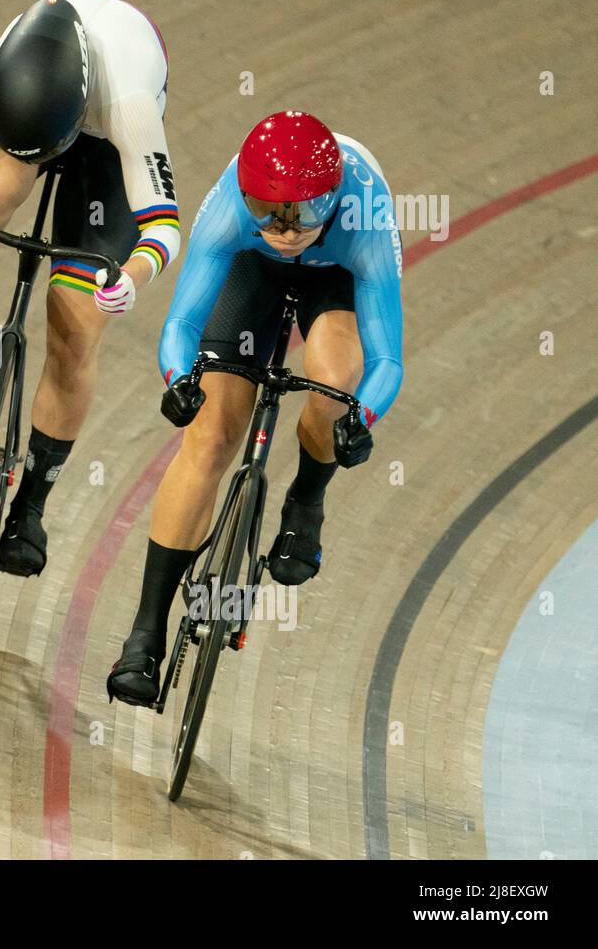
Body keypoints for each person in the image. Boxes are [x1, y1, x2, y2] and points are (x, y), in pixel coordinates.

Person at [107, 110, 403, 705]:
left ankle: (306, 500)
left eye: (303, 215)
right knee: (210, 437)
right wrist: (178, 379)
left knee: (335, 381)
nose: (287, 230)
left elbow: (386, 360)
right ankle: (145, 634)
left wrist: (359, 418)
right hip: (251, 271)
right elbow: (183, 323)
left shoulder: (364, 212)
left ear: (333, 199)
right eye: (268, 213)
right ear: (247, 197)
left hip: (336, 274)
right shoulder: (230, 212)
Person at [0, 0, 180, 576]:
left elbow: (163, 227)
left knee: (75, 329)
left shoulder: (129, 104)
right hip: (32, 114)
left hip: (104, 147)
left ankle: (30, 507)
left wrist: (132, 276)